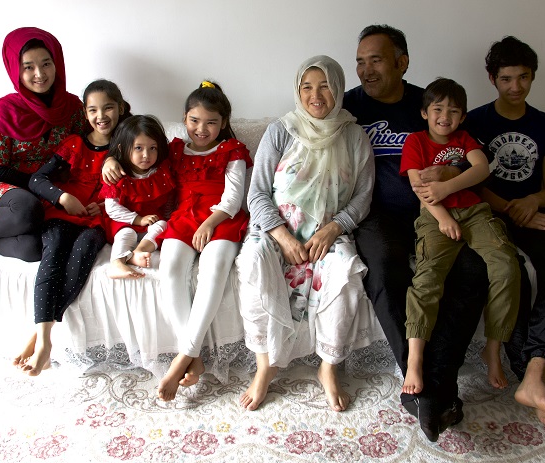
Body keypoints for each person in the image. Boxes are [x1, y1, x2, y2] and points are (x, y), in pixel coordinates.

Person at [342, 24, 490, 441]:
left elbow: (467, 157)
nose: (365, 70)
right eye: (359, 61)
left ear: (402, 62)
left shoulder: (430, 105)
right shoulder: (347, 107)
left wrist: (450, 170)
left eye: (376, 60)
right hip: (377, 215)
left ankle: (434, 383)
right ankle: (425, 381)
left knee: (473, 271)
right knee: (385, 267)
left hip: (438, 213)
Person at [236, 55, 376, 413]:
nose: (316, 94)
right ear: (297, 91)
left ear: (339, 89)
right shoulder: (280, 130)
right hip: (275, 229)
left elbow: (363, 197)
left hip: (327, 233)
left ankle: (328, 366)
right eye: (307, 86)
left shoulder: (354, 135)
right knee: (251, 260)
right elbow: (257, 193)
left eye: (325, 85)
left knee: (345, 268)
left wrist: (333, 228)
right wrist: (282, 235)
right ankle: (265, 364)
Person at [463, 36, 545, 426]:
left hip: (533, 211)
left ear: (533, 77)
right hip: (489, 213)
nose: (516, 87)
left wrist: (532, 204)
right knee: (512, 274)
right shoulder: (475, 121)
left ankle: (535, 372)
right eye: (507, 78)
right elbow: (472, 183)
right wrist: (513, 209)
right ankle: (524, 368)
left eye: (524, 78)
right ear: (492, 78)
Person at [399, 78, 520, 394]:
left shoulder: (466, 140)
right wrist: (442, 217)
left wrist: (446, 186)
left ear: (463, 116)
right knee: (427, 279)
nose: (445, 117)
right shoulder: (415, 142)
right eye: (437, 109)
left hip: (475, 213)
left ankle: (492, 348)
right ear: (425, 112)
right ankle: (415, 359)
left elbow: (481, 171)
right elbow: (418, 187)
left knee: (507, 266)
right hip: (435, 215)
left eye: (453, 111)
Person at [14, 79, 129, 375]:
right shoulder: (74, 144)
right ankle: (45, 342)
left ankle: (40, 334)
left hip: (99, 219)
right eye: (93, 110)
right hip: (64, 213)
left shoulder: (127, 144)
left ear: (121, 108)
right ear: (85, 113)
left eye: (108, 108)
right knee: (54, 254)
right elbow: (36, 180)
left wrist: (103, 205)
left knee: (84, 253)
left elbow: (139, 186)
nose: (101, 115)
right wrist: (64, 197)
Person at [0, 27, 86, 262]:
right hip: (8, 194)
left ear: (56, 63)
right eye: (28, 66)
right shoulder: (4, 111)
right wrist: (44, 188)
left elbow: (92, 145)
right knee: (26, 208)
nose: (39, 73)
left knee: (35, 249)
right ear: (15, 68)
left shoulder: (72, 108)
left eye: (46, 63)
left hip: (50, 193)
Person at [156, 81, 252, 401]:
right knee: (169, 271)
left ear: (223, 123)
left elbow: (234, 198)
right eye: (195, 121)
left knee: (212, 269)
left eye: (211, 122)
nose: (202, 129)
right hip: (184, 217)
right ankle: (194, 358)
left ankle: (181, 358)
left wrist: (210, 223)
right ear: (185, 119)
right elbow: (135, 153)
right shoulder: (174, 150)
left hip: (221, 217)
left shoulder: (232, 151)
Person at [101, 115, 175, 279]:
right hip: (124, 222)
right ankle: (117, 263)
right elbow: (112, 208)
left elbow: (169, 201)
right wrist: (138, 219)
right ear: (122, 149)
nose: (146, 155)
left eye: (152, 148)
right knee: (126, 234)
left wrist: (167, 218)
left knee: (163, 224)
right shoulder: (117, 174)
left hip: (151, 223)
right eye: (138, 148)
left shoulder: (161, 173)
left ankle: (139, 251)